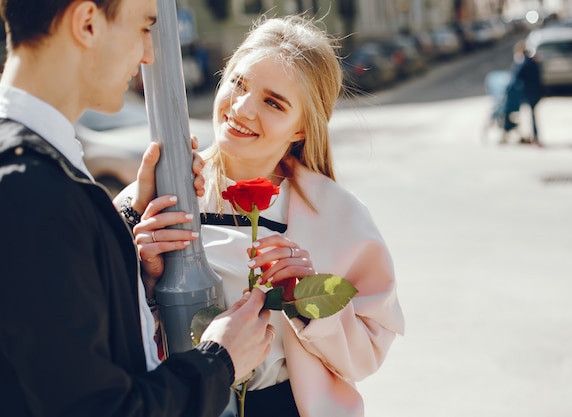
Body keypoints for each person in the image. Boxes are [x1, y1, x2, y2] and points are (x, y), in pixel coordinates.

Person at [115, 15, 405, 417]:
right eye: (238, 82)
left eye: (273, 102)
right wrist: (143, 276)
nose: (243, 108)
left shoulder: (338, 216)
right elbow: (96, 332)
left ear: (302, 127)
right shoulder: (153, 197)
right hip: (178, 403)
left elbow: (367, 354)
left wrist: (306, 300)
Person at [0, 1, 274, 416]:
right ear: (88, 23)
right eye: (144, 28)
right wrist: (219, 360)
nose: (149, 54)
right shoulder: (28, 187)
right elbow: (99, 408)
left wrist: (127, 225)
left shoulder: (37, 171)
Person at [505, 40, 543, 146]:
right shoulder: (534, 61)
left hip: (527, 93)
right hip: (536, 91)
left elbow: (515, 78)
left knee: (526, 115)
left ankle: (530, 136)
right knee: (533, 115)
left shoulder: (522, 63)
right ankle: (535, 137)